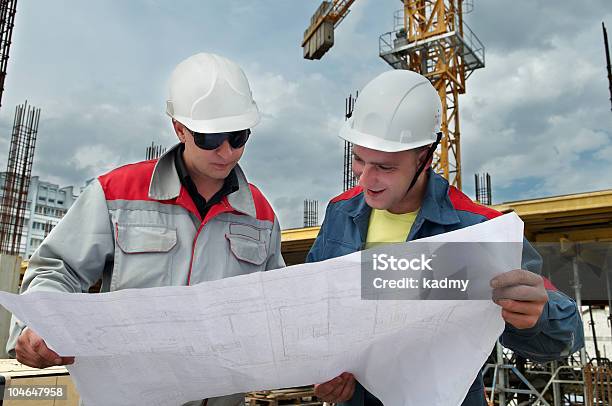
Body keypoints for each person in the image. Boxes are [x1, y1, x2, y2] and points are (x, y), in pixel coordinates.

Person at [7, 52, 285, 406]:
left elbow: (277, 307)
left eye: (238, 136)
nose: (227, 152)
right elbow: (58, 269)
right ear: (179, 128)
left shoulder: (260, 214)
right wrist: (40, 326)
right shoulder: (116, 193)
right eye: (211, 139)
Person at [307, 69, 584, 405]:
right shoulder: (340, 213)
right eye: (358, 160)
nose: (365, 179)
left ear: (425, 157)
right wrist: (320, 371)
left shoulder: (477, 228)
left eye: (385, 167)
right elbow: (312, 308)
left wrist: (537, 315)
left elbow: (568, 334)